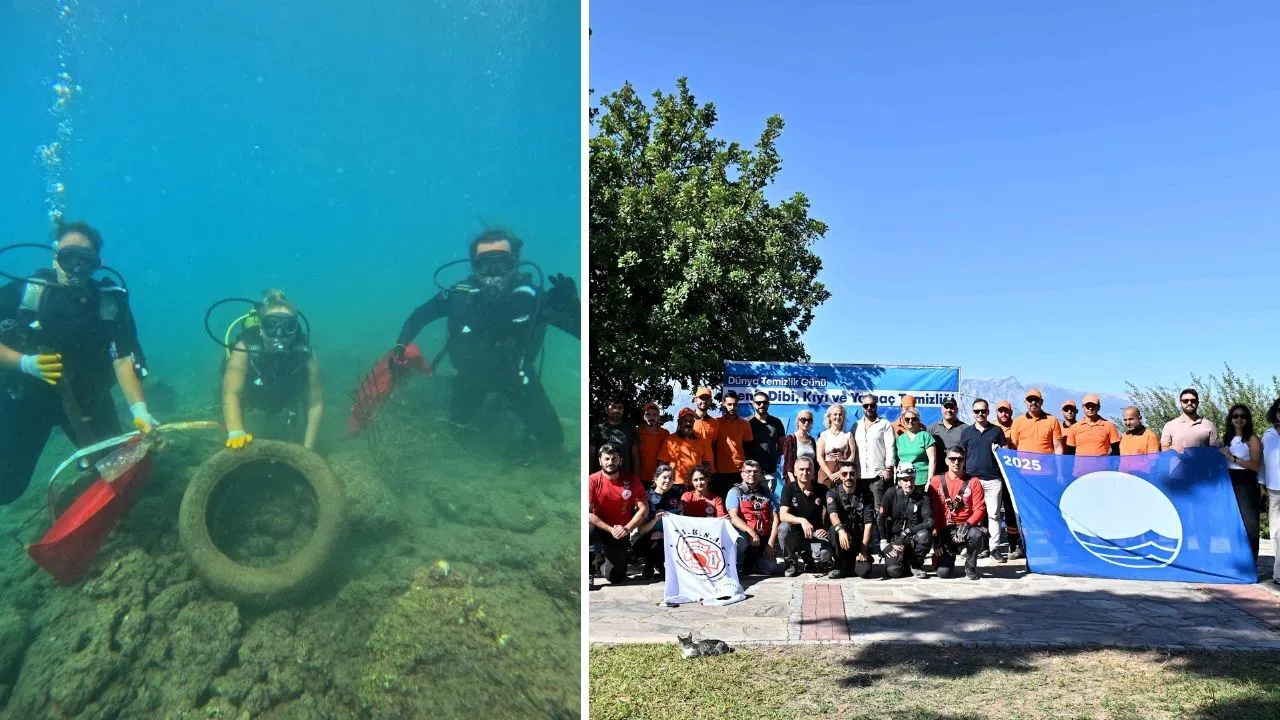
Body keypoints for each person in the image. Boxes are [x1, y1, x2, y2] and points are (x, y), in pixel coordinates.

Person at [0, 221, 158, 505]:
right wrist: (25, 363)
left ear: (97, 264)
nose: (75, 267)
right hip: (27, 401)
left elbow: (123, 358)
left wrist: (141, 410)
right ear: (55, 255)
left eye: (85, 260)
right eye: (68, 257)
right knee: (7, 487)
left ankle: (95, 477)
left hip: (88, 401)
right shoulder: (23, 293)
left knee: (123, 471)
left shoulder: (110, 302)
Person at [390, 229, 579, 450]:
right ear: (474, 267)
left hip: (518, 380)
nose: (493, 273)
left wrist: (573, 306)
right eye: (485, 265)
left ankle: (504, 402)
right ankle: (479, 400)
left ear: (516, 264)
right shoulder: (458, 296)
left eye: (502, 264)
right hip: (470, 380)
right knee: (460, 438)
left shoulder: (532, 300)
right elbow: (418, 317)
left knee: (553, 443)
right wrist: (400, 346)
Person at [220, 290, 323, 450]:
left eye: (288, 326)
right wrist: (236, 431)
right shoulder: (244, 348)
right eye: (270, 325)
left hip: (285, 397)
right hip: (251, 395)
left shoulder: (306, 354)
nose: (279, 334)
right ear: (260, 328)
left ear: (295, 330)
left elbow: (315, 403)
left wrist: (307, 450)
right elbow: (231, 392)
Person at [588, 444, 647, 584]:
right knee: (585, 532)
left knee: (616, 577)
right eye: (606, 458)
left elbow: (644, 509)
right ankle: (586, 572)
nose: (610, 462)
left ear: (620, 461)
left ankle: (600, 562)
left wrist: (627, 528)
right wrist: (610, 529)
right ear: (600, 461)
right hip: (599, 527)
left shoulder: (633, 480)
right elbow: (587, 513)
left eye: (614, 459)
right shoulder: (591, 480)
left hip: (621, 530)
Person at [959, 398, 1009, 562]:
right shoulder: (967, 432)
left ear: (988, 412)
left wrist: (1001, 450)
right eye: (977, 411)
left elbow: (1006, 454)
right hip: (973, 480)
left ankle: (994, 547)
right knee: (973, 515)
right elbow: (962, 456)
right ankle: (975, 547)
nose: (980, 414)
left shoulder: (997, 431)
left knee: (993, 515)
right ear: (973, 413)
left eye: (983, 411)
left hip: (993, 479)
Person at [929, 446, 986, 580]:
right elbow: (932, 510)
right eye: (952, 459)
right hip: (945, 530)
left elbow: (980, 509)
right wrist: (936, 538)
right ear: (946, 461)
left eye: (960, 459)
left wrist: (967, 525)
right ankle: (947, 556)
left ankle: (970, 565)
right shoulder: (936, 481)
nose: (956, 462)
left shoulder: (973, 482)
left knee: (977, 534)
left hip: (965, 528)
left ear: (964, 460)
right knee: (943, 573)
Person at [777, 456, 832, 577]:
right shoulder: (788, 488)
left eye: (808, 469)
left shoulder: (821, 489)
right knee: (783, 528)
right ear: (795, 472)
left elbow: (832, 512)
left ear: (813, 471)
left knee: (824, 554)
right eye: (801, 469)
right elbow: (783, 515)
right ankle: (791, 562)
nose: (805, 472)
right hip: (794, 537)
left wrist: (826, 529)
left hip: (814, 536)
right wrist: (802, 521)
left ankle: (809, 558)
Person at [878, 463, 934, 579]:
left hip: (913, 538)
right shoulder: (891, 493)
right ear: (899, 481)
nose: (909, 483)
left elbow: (929, 522)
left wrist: (909, 531)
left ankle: (916, 565)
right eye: (905, 480)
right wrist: (884, 543)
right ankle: (901, 562)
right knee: (894, 572)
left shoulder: (923, 497)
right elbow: (880, 519)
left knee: (924, 535)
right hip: (895, 540)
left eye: (911, 479)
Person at [1221, 403, 1262, 559]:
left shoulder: (1252, 439)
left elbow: (1255, 465)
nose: (1239, 419)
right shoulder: (1227, 438)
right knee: (1232, 521)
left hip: (1246, 481)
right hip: (1228, 480)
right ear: (1231, 419)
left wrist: (1232, 457)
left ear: (1248, 419)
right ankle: (1236, 558)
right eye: (1235, 416)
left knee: (1249, 523)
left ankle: (1251, 559)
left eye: (1243, 416)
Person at [825, 460, 876, 579]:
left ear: (856, 475)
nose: (849, 477)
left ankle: (855, 563)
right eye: (844, 474)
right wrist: (841, 530)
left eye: (852, 474)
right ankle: (839, 565)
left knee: (863, 572)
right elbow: (833, 515)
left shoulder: (866, 493)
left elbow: (868, 523)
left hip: (859, 539)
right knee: (833, 530)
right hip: (842, 538)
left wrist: (863, 550)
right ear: (840, 476)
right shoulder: (832, 493)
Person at [727, 460, 779, 575]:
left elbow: (775, 517)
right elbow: (733, 518)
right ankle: (739, 564)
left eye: (755, 471)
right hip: (745, 536)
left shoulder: (766, 492)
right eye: (748, 471)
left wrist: (771, 543)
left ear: (760, 473)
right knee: (740, 537)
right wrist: (751, 532)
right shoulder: (735, 492)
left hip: (763, 538)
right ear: (742, 473)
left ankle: (755, 562)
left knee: (771, 569)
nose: (752, 474)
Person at [634, 464, 683, 581]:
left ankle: (659, 566)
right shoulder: (645, 497)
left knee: (659, 542)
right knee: (654, 543)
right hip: (646, 536)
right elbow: (641, 529)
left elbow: (680, 521)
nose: (668, 481)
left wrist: (663, 533)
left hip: (670, 535)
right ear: (655, 479)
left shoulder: (677, 495)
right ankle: (653, 565)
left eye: (671, 478)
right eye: (664, 477)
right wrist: (655, 519)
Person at [853, 393, 896, 508]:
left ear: (876, 406)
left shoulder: (885, 424)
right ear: (862, 407)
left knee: (880, 511)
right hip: (860, 476)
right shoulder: (856, 426)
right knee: (861, 510)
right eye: (865, 405)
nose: (869, 408)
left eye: (872, 405)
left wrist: (888, 469)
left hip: (878, 475)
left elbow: (890, 447)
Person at [710, 390, 752, 498]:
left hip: (740, 471)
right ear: (724, 404)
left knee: (740, 502)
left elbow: (748, 448)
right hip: (721, 472)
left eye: (734, 404)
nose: (732, 407)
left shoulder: (745, 424)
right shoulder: (716, 423)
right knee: (723, 503)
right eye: (729, 404)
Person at [658, 408, 714, 486]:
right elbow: (662, 463)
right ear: (679, 422)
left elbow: (706, 463)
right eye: (685, 420)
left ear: (694, 422)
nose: (688, 423)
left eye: (691, 421)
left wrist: (705, 483)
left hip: (695, 485)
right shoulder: (670, 440)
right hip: (675, 484)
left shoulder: (701, 440)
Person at [746, 390, 787, 494]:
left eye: (765, 402)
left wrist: (772, 459)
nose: (761, 405)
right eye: (758, 403)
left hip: (769, 472)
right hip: (750, 472)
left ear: (768, 403)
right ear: (753, 404)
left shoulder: (776, 422)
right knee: (749, 504)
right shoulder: (746, 423)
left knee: (768, 503)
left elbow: (782, 446)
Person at [1260, 399, 1280, 583]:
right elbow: (1262, 463)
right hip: (1273, 489)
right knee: (1275, 532)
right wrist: (1261, 484)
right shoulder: (1268, 435)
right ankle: (1279, 573)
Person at [590, 399, 639, 474]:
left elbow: (635, 455)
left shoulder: (630, 429)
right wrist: (589, 476)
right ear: (606, 410)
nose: (617, 410)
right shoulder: (597, 429)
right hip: (602, 476)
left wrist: (636, 477)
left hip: (624, 476)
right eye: (613, 407)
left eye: (620, 408)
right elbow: (591, 454)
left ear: (623, 410)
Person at [1009, 388, 1063, 454]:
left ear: (1041, 402)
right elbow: (1014, 447)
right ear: (1025, 402)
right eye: (1030, 400)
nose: (1033, 402)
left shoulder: (1052, 420)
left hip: (1046, 464)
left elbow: (1058, 447)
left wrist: (1059, 464)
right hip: (1023, 463)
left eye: (1036, 400)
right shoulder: (1017, 421)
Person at [895, 408, 937, 487]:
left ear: (918, 420)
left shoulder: (925, 436)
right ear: (903, 421)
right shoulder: (900, 439)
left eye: (913, 419)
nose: (910, 421)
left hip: (921, 481)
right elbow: (897, 461)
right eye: (907, 419)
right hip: (903, 481)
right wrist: (897, 479)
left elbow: (932, 460)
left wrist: (929, 480)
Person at [816, 403, 855, 487]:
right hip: (826, 471)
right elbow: (819, 457)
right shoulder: (823, 435)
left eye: (840, 414)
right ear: (829, 417)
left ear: (843, 417)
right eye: (835, 414)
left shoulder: (848, 435)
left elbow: (852, 456)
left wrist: (841, 472)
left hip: (844, 471)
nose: (838, 417)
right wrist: (830, 474)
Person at [635, 401, 670, 484]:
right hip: (638, 477)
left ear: (658, 417)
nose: (651, 417)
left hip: (658, 478)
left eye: (655, 415)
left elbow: (666, 458)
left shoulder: (665, 434)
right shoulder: (637, 432)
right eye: (648, 414)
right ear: (643, 416)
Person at [781, 408, 818, 485]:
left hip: (810, 482)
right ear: (798, 422)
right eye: (803, 420)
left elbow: (815, 464)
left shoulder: (812, 440)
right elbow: (788, 466)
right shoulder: (791, 439)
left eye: (809, 420)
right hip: (795, 481)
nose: (806, 423)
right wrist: (794, 485)